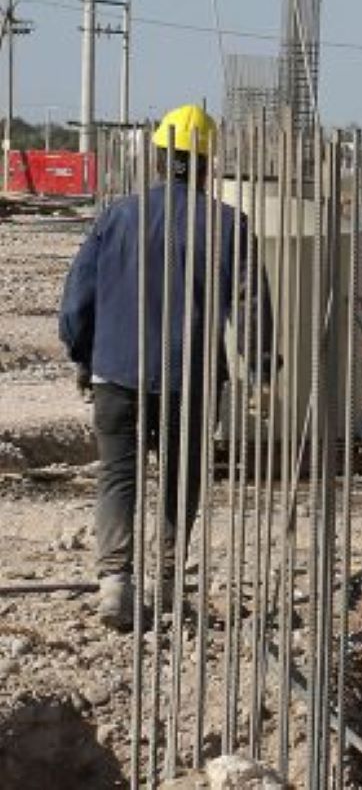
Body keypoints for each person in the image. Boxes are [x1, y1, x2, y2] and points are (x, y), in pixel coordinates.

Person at [59, 104, 274, 630]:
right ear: (207, 165)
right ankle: (170, 582)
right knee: (182, 478)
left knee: (118, 475)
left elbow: (77, 298)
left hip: (116, 369)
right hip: (189, 378)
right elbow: (249, 304)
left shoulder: (117, 215)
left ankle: (115, 583)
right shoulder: (227, 224)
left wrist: (82, 353)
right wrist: (261, 366)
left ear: (158, 159)